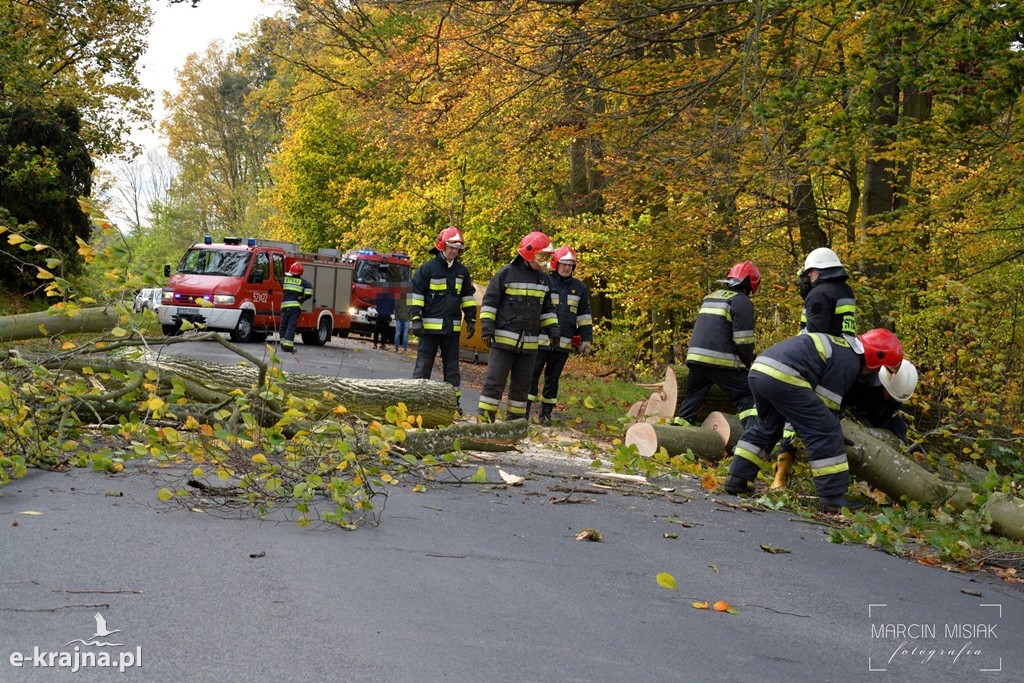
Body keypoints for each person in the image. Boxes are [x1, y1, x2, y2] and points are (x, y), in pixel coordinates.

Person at [724, 328, 903, 513]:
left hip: (760, 370)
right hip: (785, 375)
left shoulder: (841, 349)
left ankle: (738, 479)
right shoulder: (848, 362)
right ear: (875, 359)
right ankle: (833, 499)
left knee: (768, 426)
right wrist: (833, 434)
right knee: (826, 431)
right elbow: (826, 408)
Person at [478, 231, 560, 422]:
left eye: (546, 257)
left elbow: (548, 310)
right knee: (494, 382)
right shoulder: (505, 274)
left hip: (529, 345)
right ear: (528, 253)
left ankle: (513, 424)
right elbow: (490, 303)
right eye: (541, 256)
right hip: (503, 341)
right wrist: (487, 328)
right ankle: (484, 422)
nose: (543, 262)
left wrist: (553, 330)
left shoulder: (544, 280)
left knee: (522, 387)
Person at [672, 261, 760, 429]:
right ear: (751, 285)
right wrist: (748, 363)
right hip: (721, 362)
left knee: (693, 399)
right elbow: (744, 341)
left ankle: (676, 433)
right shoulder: (742, 302)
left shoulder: (710, 297)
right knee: (747, 395)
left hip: (695, 359)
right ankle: (751, 438)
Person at [409, 227, 477, 414]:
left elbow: (467, 297)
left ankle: (452, 405)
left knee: (453, 370)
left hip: (451, 331)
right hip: (429, 331)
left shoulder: (462, 271)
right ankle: (416, 403)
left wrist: (471, 319)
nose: (454, 251)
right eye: (451, 247)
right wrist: (416, 319)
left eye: (457, 248)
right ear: (442, 245)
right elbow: (416, 296)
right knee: (423, 368)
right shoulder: (427, 269)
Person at [528, 245, 593, 424]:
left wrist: (587, 338)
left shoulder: (580, 288)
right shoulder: (544, 281)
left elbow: (585, 316)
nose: (567, 268)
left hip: (562, 344)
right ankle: (524, 411)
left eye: (571, 265)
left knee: (553, 379)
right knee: (532, 375)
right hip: (540, 341)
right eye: (564, 264)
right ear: (556, 264)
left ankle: (546, 414)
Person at [845, 360, 918, 443]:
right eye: (890, 394)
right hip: (857, 406)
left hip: (878, 419)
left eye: (894, 397)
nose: (890, 397)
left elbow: (887, 417)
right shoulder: (866, 379)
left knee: (901, 429)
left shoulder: (897, 394)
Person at [799, 247, 857, 337]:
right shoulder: (846, 290)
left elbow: (814, 335)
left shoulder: (819, 294)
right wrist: (808, 291)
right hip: (846, 347)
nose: (809, 274)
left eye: (811, 270)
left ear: (822, 269)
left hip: (825, 350)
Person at [279, 262, 313, 353]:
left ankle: (283, 343)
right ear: (301, 272)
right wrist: (302, 298)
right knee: (291, 326)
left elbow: (280, 280)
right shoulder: (304, 283)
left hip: (284, 307)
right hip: (295, 307)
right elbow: (309, 292)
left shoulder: (284, 280)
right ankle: (288, 346)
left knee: (283, 325)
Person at [393, 284, 411, 353]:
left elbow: (411, 309)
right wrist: (396, 318)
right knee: (397, 333)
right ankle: (396, 347)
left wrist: (409, 318)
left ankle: (405, 349)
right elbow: (396, 309)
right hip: (399, 319)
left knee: (405, 334)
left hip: (406, 319)